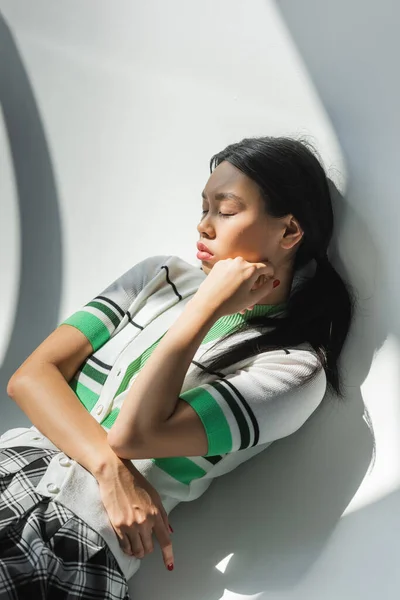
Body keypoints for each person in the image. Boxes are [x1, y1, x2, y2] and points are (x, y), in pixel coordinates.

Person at [0, 135, 355, 599]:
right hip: (11, 470)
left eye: (225, 210)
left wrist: (205, 307)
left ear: (289, 232)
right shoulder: (158, 276)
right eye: (203, 208)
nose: (204, 226)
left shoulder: (291, 370)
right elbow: (30, 378)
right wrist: (109, 469)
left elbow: (135, 434)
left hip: (79, 542)